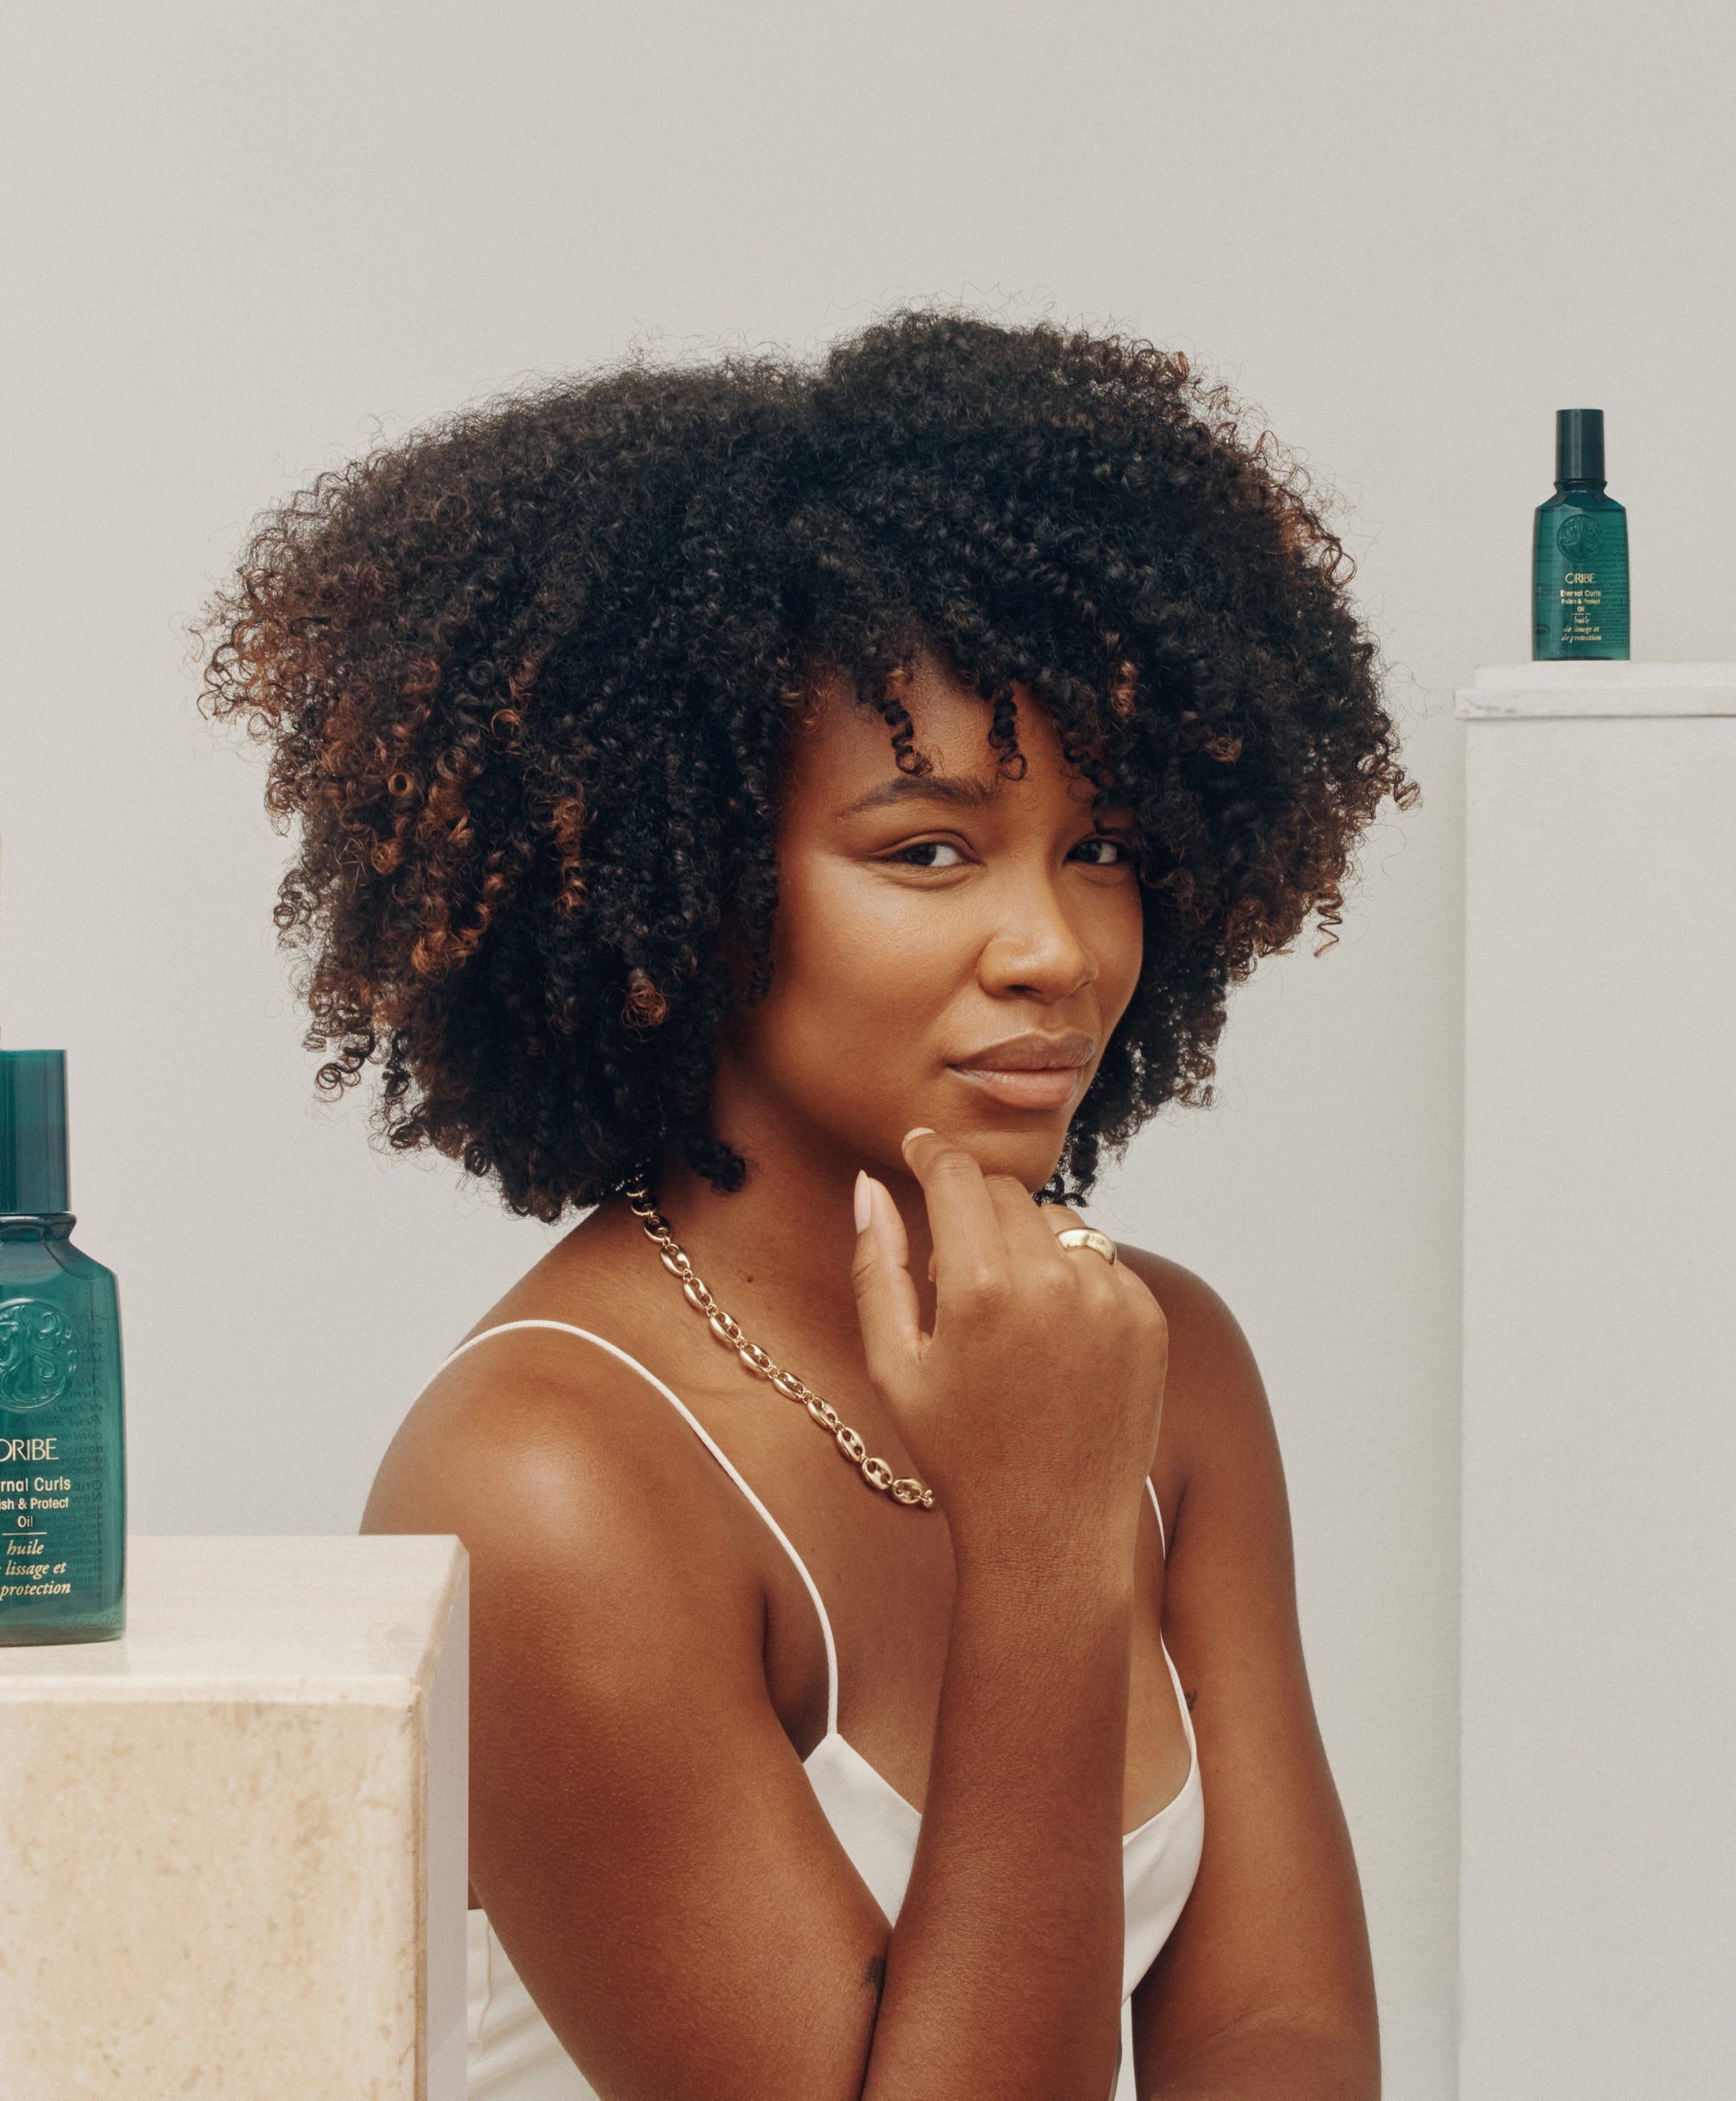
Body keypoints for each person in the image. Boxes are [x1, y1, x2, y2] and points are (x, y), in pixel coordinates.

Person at [201, 311, 1412, 2100]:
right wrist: (1049, 1536)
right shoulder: (546, 1481)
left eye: (1106, 851)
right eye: (928, 850)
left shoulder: (1161, 1359)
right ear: (677, 884)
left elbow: (1275, 2034)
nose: (1057, 950)